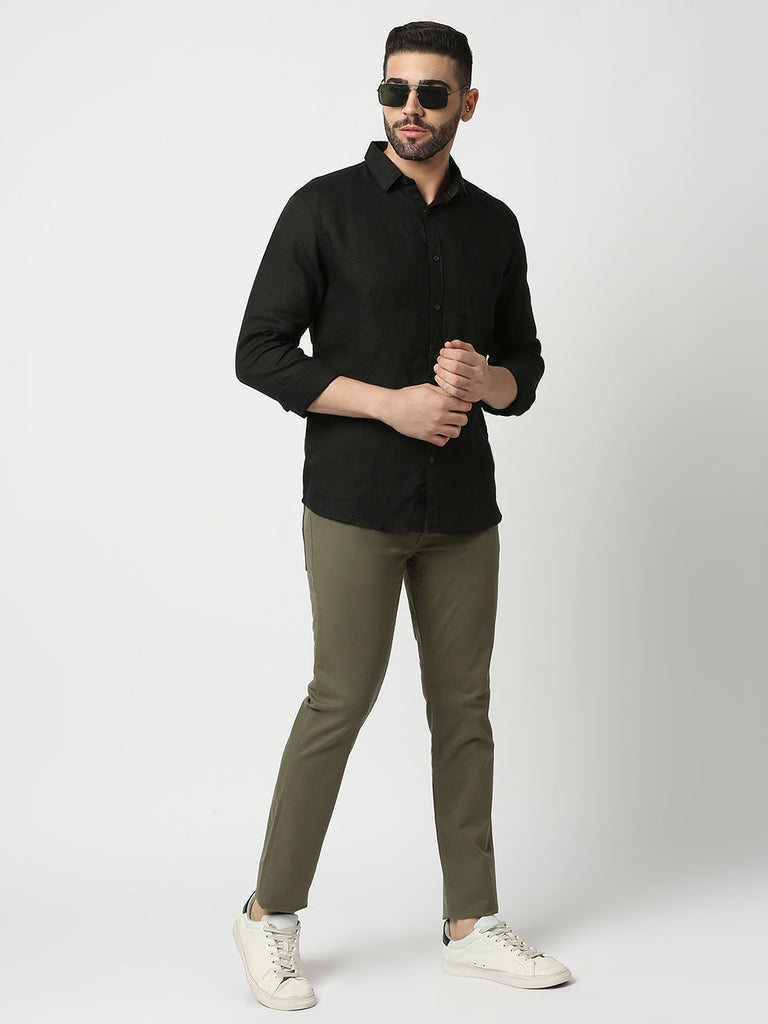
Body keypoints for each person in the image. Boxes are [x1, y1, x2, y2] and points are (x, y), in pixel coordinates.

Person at [231, 20, 572, 1011]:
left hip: (462, 508)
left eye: (431, 93)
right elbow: (260, 352)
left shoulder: (494, 224)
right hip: (354, 502)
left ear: (467, 103)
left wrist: (485, 379)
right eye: (395, 91)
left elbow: (526, 368)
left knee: (464, 709)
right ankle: (268, 915)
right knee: (339, 699)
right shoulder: (323, 209)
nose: (409, 110)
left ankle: (472, 923)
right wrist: (391, 403)